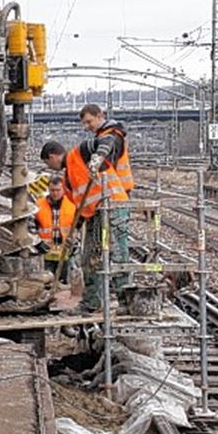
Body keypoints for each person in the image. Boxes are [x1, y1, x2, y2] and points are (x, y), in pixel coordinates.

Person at [40, 103, 131, 311]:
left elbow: (109, 137)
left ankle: (127, 299)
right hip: (96, 214)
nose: (49, 168)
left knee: (116, 254)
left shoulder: (78, 153)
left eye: (48, 164)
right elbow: (81, 206)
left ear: (53, 157)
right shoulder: (67, 179)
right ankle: (92, 302)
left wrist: (98, 157)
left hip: (112, 206)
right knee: (90, 258)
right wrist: (75, 229)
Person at [34, 175, 76, 283]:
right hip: (45, 252)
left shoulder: (71, 205)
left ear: (63, 190)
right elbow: (31, 228)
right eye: (52, 190)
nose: (55, 193)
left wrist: (75, 244)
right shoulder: (39, 205)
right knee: (45, 282)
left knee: (64, 283)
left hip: (65, 252)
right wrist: (38, 243)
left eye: (58, 190)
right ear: (48, 190)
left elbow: (77, 227)